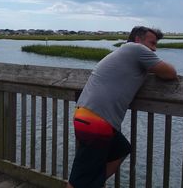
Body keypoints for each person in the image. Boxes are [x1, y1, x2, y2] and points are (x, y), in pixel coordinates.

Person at [67, 26, 177, 188]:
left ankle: (93, 183)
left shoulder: (123, 53)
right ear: (138, 40)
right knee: (77, 180)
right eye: (152, 43)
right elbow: (170, 73)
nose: (154, 48)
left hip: (87, 116)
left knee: (121, 149)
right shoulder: (136, 49)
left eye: (156, 45)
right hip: (97, 122)